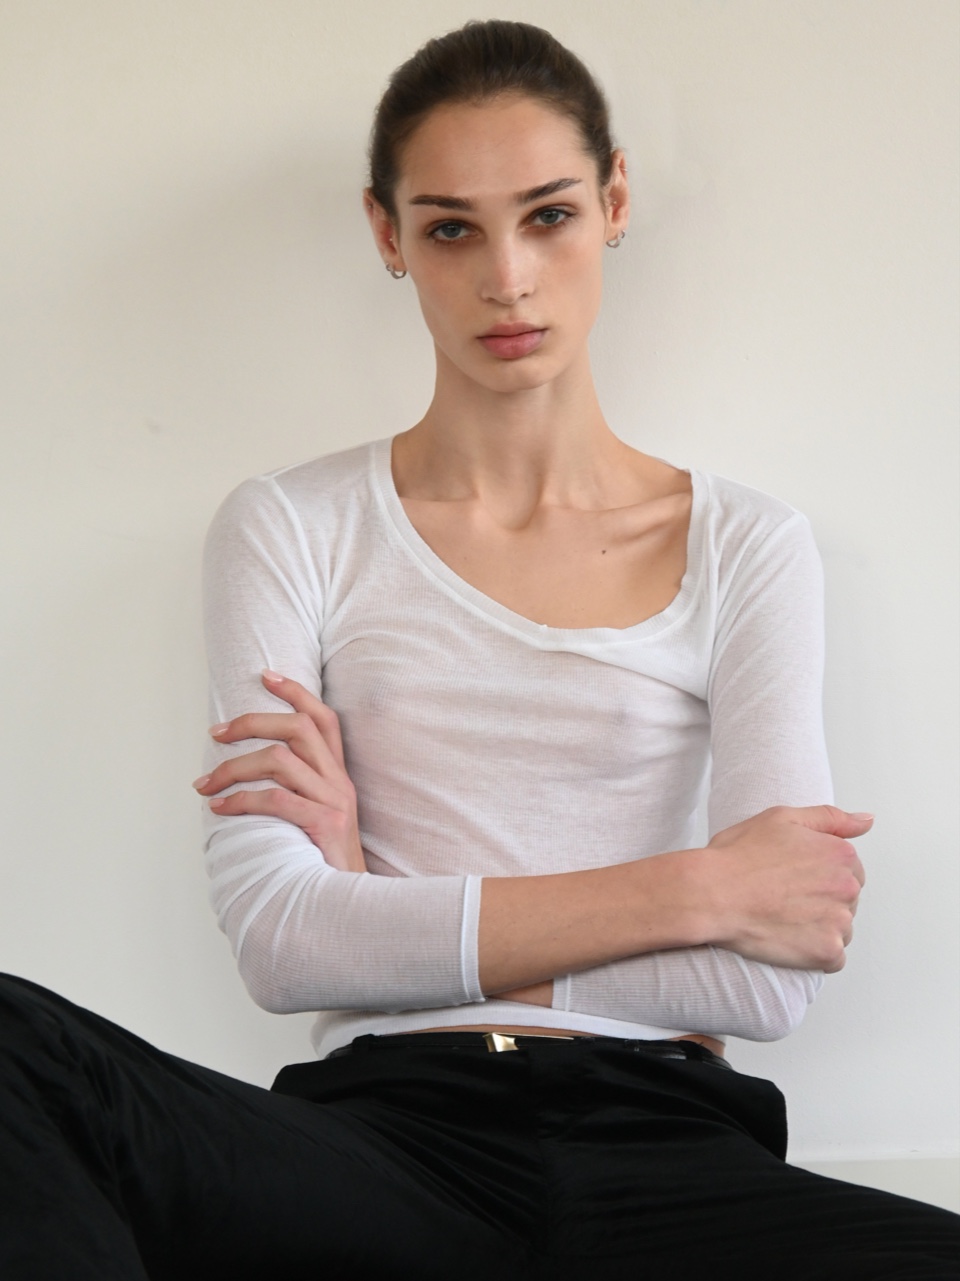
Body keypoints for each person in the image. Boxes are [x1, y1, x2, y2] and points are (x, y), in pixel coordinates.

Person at [0, 19, 957, 1280]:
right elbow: (283, 943)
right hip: (385, 1149)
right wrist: (698, 891)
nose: (508, 278)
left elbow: (774, 977)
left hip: (671, 1151)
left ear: (615, 201)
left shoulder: (746, 544)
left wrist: (386, 927)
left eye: (549, 216)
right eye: (452, 228)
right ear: (388, 235)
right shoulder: (290, 526)